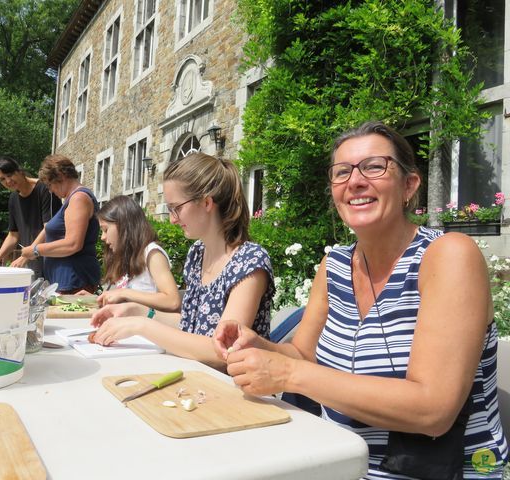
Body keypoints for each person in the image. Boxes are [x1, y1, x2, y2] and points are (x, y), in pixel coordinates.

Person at [214, 121, 508, 478]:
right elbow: (303, 355)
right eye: (342, 172)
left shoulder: (447, 256)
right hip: (334, 462)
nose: (355, 181)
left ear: (409, 185)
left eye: (374, 166)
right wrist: (258, 344)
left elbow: (433, 410)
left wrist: (288, 374)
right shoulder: (333, 265)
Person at [90, 153, 275, 369]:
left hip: (234, 391)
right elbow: (190, 326)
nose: (172, 219)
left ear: (207, 203)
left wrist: (141, 325)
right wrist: (136, 311)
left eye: (176, 208)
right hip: (199, 380)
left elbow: (222, 351)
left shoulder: (250, 261)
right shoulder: (197, 253)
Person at [81, 195, 180, 312]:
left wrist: (124, 293)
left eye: (106, 229)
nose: (102, 237)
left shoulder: (152, 254)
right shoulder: (129, 257)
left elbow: (172, 301)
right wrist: (95, 300)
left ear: (124, 226)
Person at [20, 155, 100, 293]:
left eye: (49, 185)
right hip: (67, 282)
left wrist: (36, 250)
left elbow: (73, 244)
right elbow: (49, 229)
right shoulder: (72, 199)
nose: (50, 190)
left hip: (75, 281)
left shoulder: (78, 199)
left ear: (61, 176)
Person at [0, 156, 61, 278]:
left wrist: (26, 255)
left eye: (10, 175)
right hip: (32, 265)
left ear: (19, 170)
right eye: (2, 179)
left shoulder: (45, 189)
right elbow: (13, 235)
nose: (8, 181)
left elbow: (50, 228)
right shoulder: (13, 199)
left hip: (53, 262)